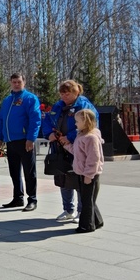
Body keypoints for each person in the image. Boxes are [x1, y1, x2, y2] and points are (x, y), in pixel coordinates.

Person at [41, 80, 97, 222]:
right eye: (62, 94)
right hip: (59, 148)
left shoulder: (84, 105)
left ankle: (81, 210)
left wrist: (70, 137)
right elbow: (46, 120)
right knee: (62, 178)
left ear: (76, 92)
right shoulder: (58, 106)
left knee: (78, 179)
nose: (64, 96)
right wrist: (49, 134)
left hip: (77, 148)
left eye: (68, 93)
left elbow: (89, 126)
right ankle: (68, 209)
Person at [0, 73, 41, 212]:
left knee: (29, 171)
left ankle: (32, 199)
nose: (16, 84)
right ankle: (17, 197)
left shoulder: (30, 98)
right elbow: (2, 120)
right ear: (10, 82)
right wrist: (0, 138)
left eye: (19, 81)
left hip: (24, 140)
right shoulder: (7, 100)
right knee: (14, 171)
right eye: (14, 81)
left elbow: (35, 119)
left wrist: (31, 138)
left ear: (24, 82)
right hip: (10, 141)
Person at [61, 109, 104, 233]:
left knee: (86, 201)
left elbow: (94, 158)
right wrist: (66, 145)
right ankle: (97, 220)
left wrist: (89, 175)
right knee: (89, 199)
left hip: (89, 174)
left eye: (77, 121)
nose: (75, 124)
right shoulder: (81, 135)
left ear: (86, 121)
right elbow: (77, 152)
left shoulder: (91, 138)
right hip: (82, 172)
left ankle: (86, 225)